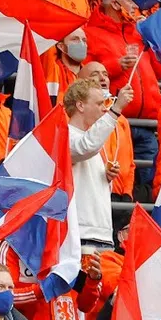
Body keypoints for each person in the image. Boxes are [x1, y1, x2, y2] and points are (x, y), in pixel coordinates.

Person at [64, 78, 131, 247]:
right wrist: (116, 110)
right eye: (100, 103)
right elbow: (84, 146)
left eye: (106, 104)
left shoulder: (91, 138)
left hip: (101, 232)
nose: (104, 108)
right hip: (80, 234)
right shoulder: (64, 134)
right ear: (80, 106)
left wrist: (106, 178)